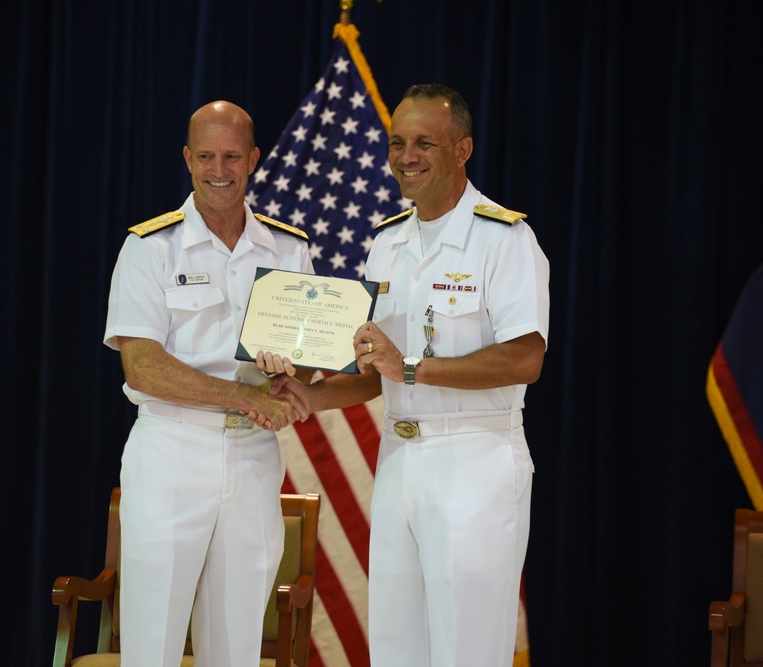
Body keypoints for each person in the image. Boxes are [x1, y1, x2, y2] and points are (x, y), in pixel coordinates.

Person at [257, 84, 550, 666]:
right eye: (397, 142)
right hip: (400, 461)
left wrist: (411, 366)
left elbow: (525, 358)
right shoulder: (387, 242)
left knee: (465, 650)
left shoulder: (505, 239)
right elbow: (374, 373)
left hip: (475, 461)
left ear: (462, 150)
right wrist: (310, 397)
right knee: (395, 647)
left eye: (424, 143)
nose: (405, 156)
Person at [103, 100, 315, 667]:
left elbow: (310, 358)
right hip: (172, 450)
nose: (217, 169)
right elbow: (142, 367)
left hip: (252, 455)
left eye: (230, 156)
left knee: (238, 639)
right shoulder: (149, 248)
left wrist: (292, 379)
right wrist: (244, 396)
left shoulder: (289, 250)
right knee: (153, 636)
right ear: (186, 159)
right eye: (205, 156)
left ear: (253, 160)